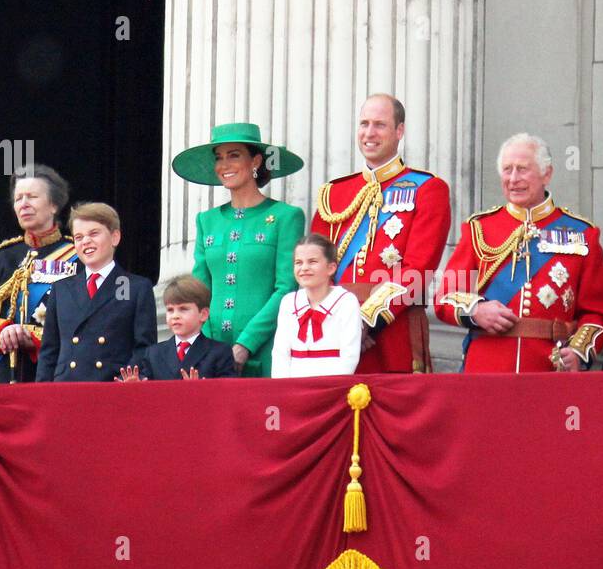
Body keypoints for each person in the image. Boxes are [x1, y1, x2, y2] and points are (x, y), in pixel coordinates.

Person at [434, 133, 603, 373]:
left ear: (546, 174)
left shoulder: (582, 233)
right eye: (507, 170)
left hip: (548, 368)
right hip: (486, 368)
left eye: (522, 169)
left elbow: (596, 312)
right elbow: (445, 296)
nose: (513, 179)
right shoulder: (479, 229)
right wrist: (476, 310)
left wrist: (578, 352)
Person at [312, 94, 451, 373]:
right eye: (364, 124)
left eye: (380, 125)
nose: (369, 133)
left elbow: (418, 269)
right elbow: (313, 263)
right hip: (333, 329)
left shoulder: (428, 189)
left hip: (391, 333)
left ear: (399, 131)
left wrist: (365, 320)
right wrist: (326, 318)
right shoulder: (334, 193)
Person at [173, 122, 305, 377]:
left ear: (255, 161)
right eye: (219, 158)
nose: (224, 165)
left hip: (267, 348)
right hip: (211, 351)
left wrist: (246, 344)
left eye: (234, 155)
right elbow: (199, 291)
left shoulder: (285, 217)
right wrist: (209, 344)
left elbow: (287, 288)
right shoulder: (206, 220)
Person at [0, 164, 79, 383]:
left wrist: (34, 337)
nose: (24, 204)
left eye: (32, 197)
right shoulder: (1, 257)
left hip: (55, 373)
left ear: (54, 205)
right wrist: (2, 331)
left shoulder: (78, 256)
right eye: (19, 198)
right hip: (4, 375)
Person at [36, 203, 158, 381]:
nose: (85, 241)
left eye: (94, 233)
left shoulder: (135, 287)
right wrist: (42, 394)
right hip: (65, 390)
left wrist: (133, 379)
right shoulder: (61, 289)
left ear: (114, 237)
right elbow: (49, 351)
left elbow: (144, 347)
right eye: (78, 237)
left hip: (112, 389)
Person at [270, 234, 362, 379]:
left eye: (312, 262)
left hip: (331, 389)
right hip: (293, 388)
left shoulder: (346, 302)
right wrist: (283, 388)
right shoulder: (288, 302)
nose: (304, 268)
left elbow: (349, 356)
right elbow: (280, 354)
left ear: (331, 268)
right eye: (298, 262)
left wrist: (331, 389)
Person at [117, 275, 236, 381]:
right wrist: (136, 386)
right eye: (170, 310)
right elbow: (147, 388)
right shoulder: (154, 353)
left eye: (183, 309)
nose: (175, 316)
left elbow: (226, 394)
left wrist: (201, 390)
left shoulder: (219, 352)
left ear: (203, 314)